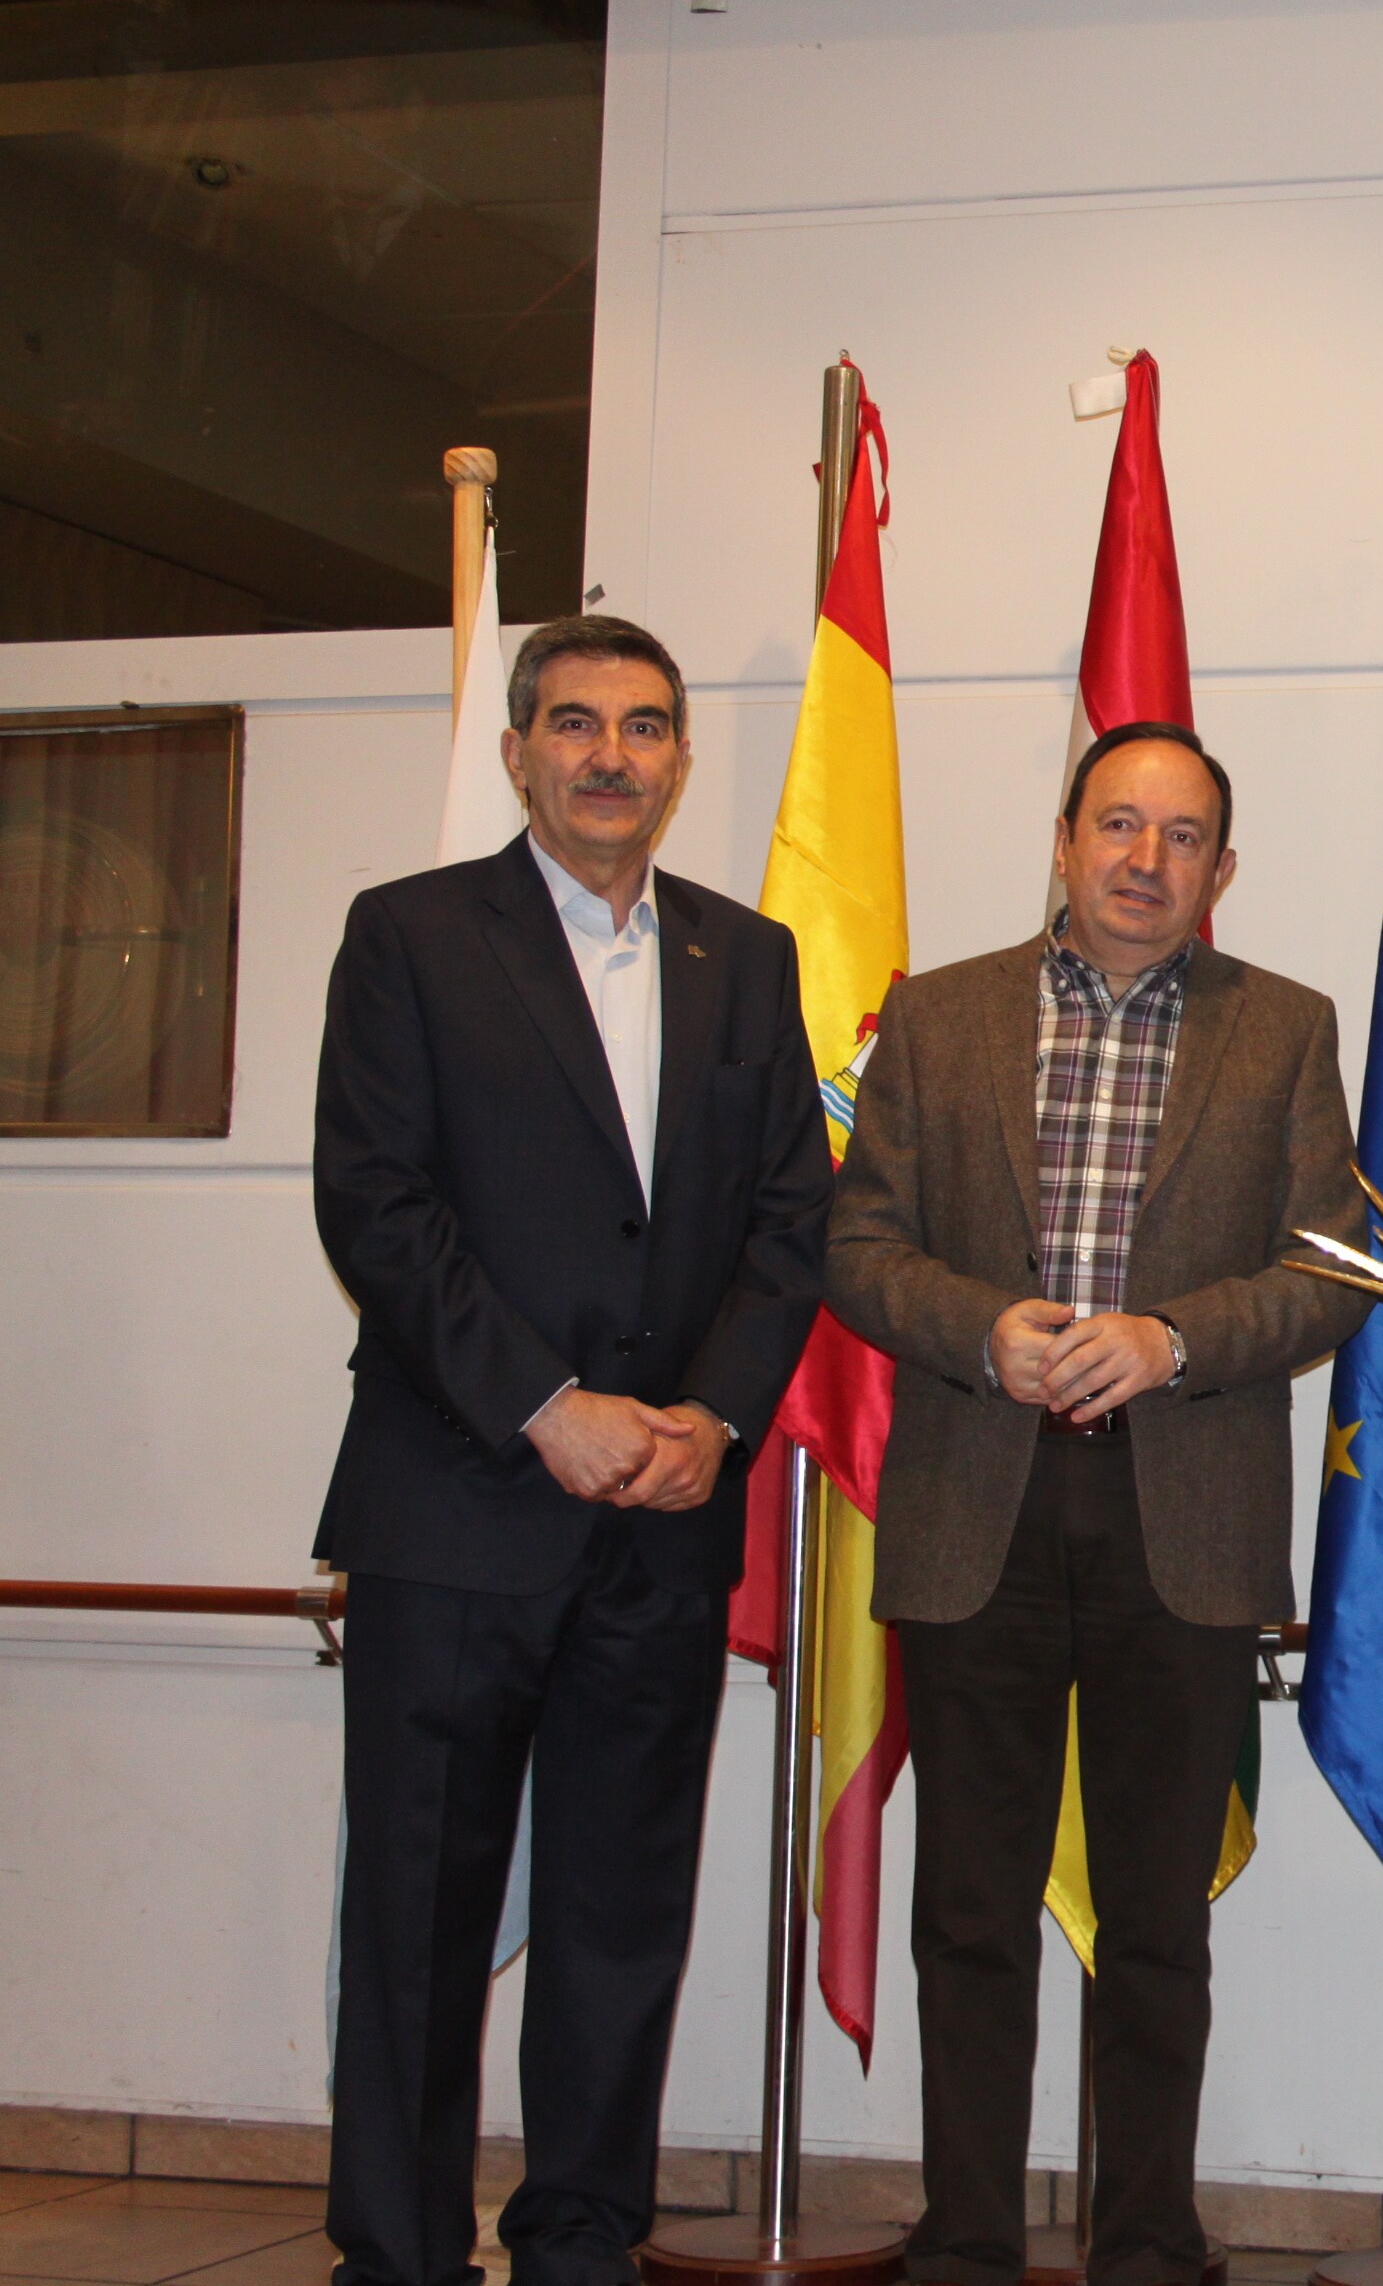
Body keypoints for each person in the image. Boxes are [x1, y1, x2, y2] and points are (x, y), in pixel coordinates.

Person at [312, 615, 833, 2286]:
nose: (613, 754)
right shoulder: (406, 937)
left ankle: (582, 2243)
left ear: (681, 760)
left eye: (647, 727)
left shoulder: (745, 959)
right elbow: (377, 1211)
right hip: (456, 1511)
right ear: (525, 749)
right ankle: (395, 2251)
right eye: (578, 724)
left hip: (663, 1525)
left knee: (622, 1921)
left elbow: (789, 1224)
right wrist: (549, 1405)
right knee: (418, 1921)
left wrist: (716, 1417)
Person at [825, 720, 1369, 2286]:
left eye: (1183, 835)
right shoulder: (935, 1019)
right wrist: (979, 1329)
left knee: (1156, 1924)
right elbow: (859, 1246)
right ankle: (970, 2241)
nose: (1147, 860)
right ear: (1063, 839)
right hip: (973, 1510)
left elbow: (1324, 1269)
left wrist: (1175, 1340)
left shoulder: (1285, 1029)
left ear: (1224, 868)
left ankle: (1146, 2240)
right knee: (973, 1914)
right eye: (1118, 826)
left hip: (1178, 1523)